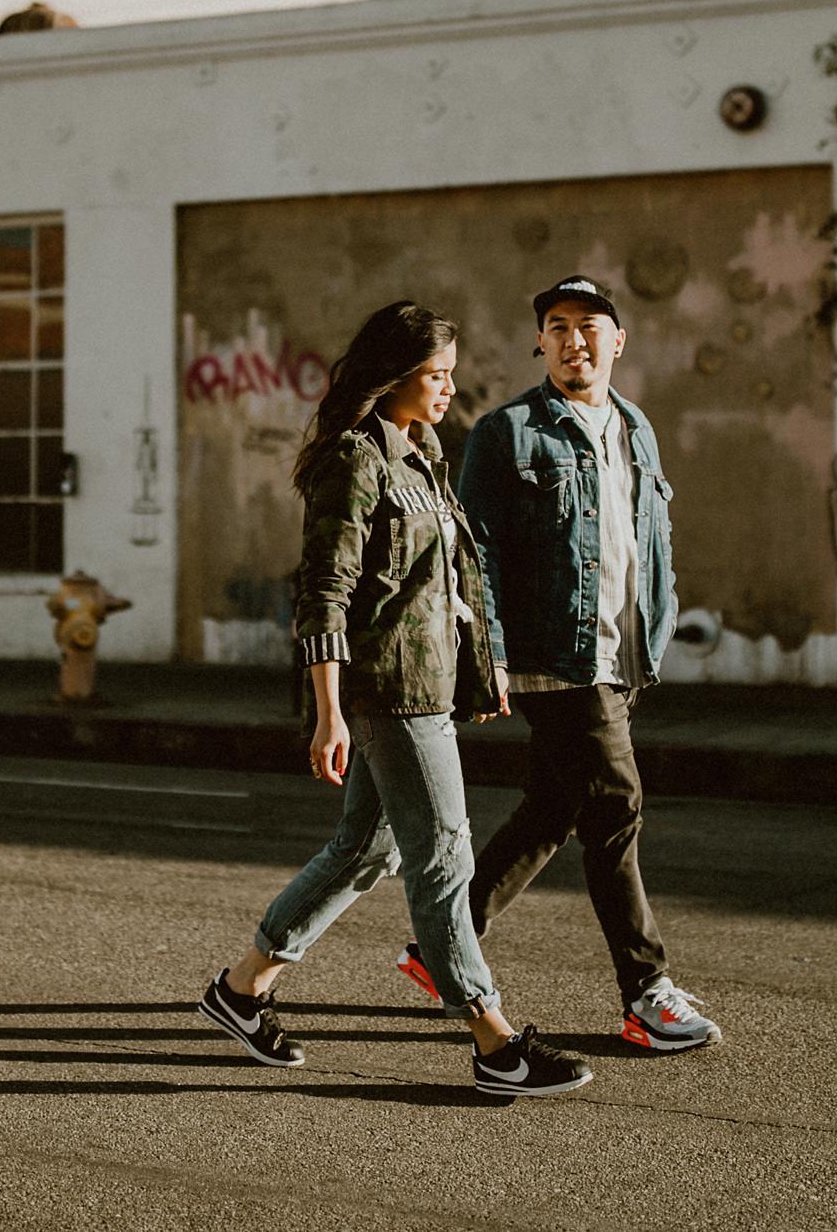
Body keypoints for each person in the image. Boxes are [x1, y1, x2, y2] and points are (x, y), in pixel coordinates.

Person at [196, 300, 594, 1098]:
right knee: (445, 856)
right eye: (436, 375)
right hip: (388, 692)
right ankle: (494, 1040)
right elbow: (326, 590)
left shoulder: (423, 451)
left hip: (430, 686)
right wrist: (329, 709)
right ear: (395, 376)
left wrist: (486, 667)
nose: (448, 389)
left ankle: (240, 990)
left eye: (450, 375)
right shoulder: (355, 457)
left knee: (366, 850)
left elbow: (445, 580)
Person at [403, 276, 724, 1053]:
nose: (574, 339)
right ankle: (645, 993)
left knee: (554, 807)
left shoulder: (636, 427)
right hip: (555, 660)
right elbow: (471, 556)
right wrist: (495, 657)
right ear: (540, 344)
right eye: (557, 326)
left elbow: (655, 539)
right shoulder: (507, 432)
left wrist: (664, 614)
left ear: (618, 341)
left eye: (589, 325)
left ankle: (441, 948)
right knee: (615, 805)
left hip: (621, 655)